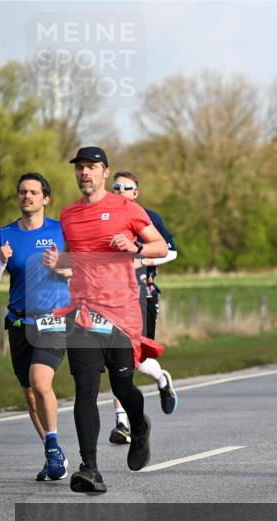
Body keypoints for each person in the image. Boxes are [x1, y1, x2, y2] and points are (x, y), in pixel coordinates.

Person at [47, 147, 170, 493]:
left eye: (91, 167)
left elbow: (159, 246)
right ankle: (89, 468)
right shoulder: (69, 214)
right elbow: (77, 260)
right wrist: (58, 261)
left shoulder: (126, 208)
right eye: (80, 168)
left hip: (121, 313)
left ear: (105, 172)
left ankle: (139, 428)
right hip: (83, 313)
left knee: (122, 386)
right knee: (85, 390)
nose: (84, 173)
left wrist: (134, 248)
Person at [0, 173, 70, 481]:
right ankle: (53, 455)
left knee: (40, 382)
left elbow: (81, 272)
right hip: (18, 320)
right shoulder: (4, 235)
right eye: (23, 191)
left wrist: (61, 266)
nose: (28, 196)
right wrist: (0, 261)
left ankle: (53, 449)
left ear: (45, 199)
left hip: (53, 317)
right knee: (28, 393)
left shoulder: (62, 231)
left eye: (34, 192)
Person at [107, 171, 179, 445]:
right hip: (111, 299)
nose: (120, 191)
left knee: (134, 360)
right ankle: (122, 423)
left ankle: (162, 378)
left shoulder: (148, 216)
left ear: (135, 193)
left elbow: (171, 251)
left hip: (143, 294)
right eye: (116, 187)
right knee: (117, 358)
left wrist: (142, 260)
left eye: (126, 187)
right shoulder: (104, 218)